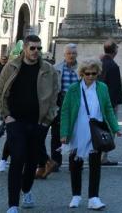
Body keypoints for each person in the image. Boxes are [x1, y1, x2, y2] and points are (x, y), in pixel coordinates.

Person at [0, 35, 59, 213]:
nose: (36, 51)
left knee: (32, 162)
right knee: (17, 159)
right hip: (15, 121)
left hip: (38, 123)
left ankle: (27, 190)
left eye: (39, 48)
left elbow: (54, 97)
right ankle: (13, 204)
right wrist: (6, 116)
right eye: (33, 48)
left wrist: (47, 121)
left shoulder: (48, 70)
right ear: (25, 49)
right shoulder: (11, 66)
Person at [59, 59, 120, 210]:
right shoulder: (73, 89)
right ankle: (76, 195)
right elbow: (65, 111)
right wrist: (64, 132)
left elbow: (108, 108)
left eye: (94, 73)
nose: (91, 76)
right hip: (77, 131)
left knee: (95, 165)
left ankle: (94, 198)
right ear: (81, 73)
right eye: (87, 73)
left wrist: (115, 128)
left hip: (95, 132)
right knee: (75, 165)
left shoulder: (102, 88)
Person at [38, 43, 79, 179]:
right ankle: (56, 161)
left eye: (73, 53)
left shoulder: (81, 69)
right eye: (69, 53)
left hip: (74, 105)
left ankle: (75, 162)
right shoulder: (57, 68)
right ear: (64, 55)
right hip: (59, 103)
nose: (71, 55)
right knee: (56, 134)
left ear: (76, 54)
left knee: (74, 133)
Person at [99, 41, 122, 166]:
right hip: (109, 103)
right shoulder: (113, 66)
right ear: (115, 51)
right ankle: (103, 156)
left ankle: (98, 154)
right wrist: (114, 104)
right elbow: (114, 88)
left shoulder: (99, 63)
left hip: (97, 101)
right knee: (109, 129)